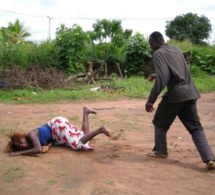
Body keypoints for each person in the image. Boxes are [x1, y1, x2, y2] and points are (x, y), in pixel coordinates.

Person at [145, 31, 215, 170]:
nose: (151, 47)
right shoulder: (176, 49)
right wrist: (155, 74)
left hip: (176, 94)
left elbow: (164, 78)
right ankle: (209, 159)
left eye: (151, 44)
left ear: (158, 41)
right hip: (190, 93)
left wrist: (151, 100)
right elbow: (176, 70)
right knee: (195, 127)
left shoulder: (158, 53)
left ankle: (161, 151)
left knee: (160, 122)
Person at [5, 106, 110, 156]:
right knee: (84, 135)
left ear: (22, 137)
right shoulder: (32, 143)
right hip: (56, 132)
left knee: (77, 144)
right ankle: (85, 112)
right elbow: (49, 142)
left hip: (56, 126)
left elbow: (37, 150)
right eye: (19, 146)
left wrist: (18, 153)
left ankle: (100, 129)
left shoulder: (31, 134)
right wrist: (48, 146)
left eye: (20, 142)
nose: (22, 145)